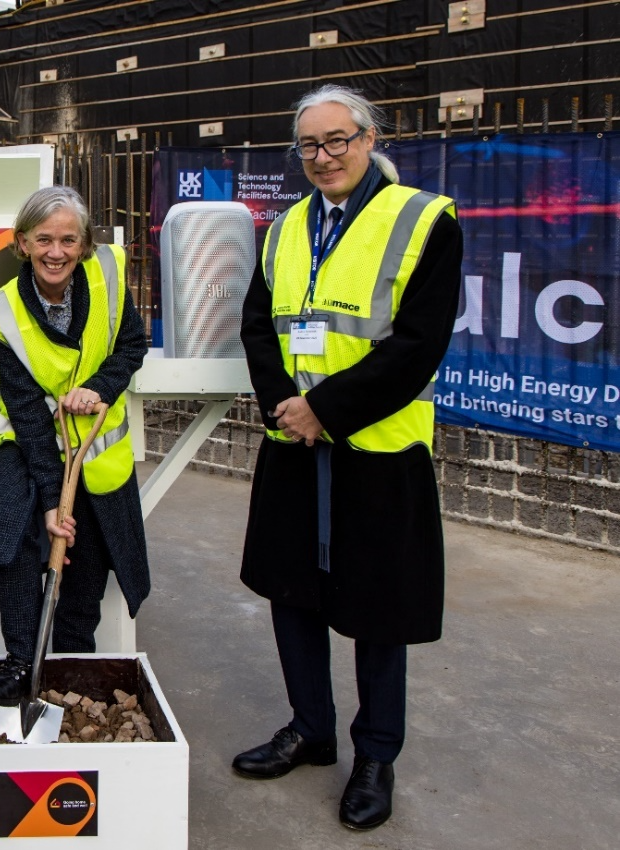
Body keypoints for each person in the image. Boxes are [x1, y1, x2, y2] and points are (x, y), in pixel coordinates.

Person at [233, 85, 464, 830]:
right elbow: (260, 328)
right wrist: (287, 409)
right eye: (309, 145)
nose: (324, 157)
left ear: (370, 138)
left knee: (379, 608)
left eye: (338, 140)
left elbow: (419, 344)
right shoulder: (284, 229)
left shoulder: (424, 219)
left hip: (375, 446)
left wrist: (326, 410)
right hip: (293, 442)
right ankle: (311, 729)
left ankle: (376, 755)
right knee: (291, 589)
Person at [0, 186, 149, 704]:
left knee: (88, 551)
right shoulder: (2, 312)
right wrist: (51, 499)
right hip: (27, 441)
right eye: (44, 239)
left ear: (85, 243)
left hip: (93, 440)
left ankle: (71, 659)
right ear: (22, 242)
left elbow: (132, 343)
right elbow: (25, 410)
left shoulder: (108, 276)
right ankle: (22, 659)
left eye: (68, 240)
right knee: (12, 538)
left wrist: (101, 386)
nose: (56, 252)